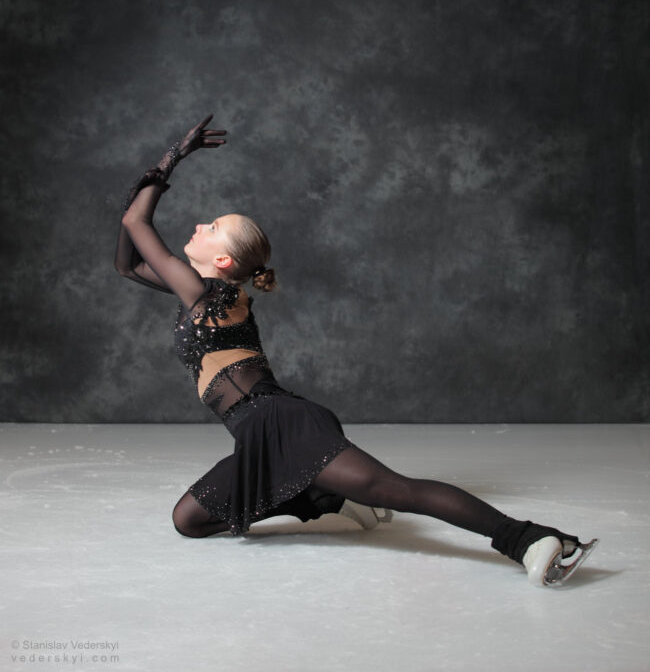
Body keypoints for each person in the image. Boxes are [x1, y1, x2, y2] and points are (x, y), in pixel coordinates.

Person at [115, 114, 598, 587]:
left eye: (213, 226)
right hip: (256, 434)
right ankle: (326, 496)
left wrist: (173, 158)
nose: (200, 224)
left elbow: (136, 220)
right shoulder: (197, 294)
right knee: (189, 520)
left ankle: (529, 540)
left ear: (222, 259)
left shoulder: (211, 295)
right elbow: (127, 265)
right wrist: (155, 182)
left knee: (395, 489)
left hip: (280, 423)